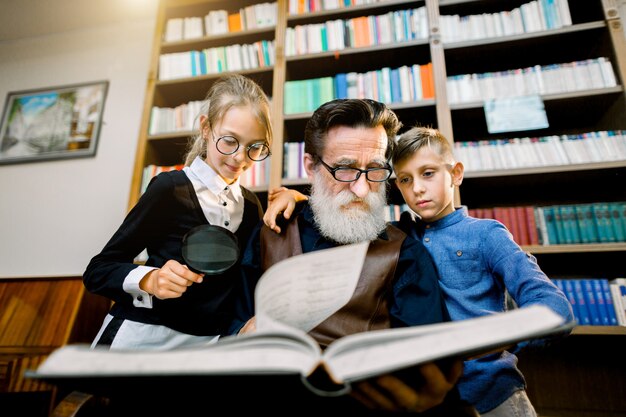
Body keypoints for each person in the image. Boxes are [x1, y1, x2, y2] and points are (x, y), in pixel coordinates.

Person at [230, 99, 478, 415]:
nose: (361, 189)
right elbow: (230, 320)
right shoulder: (269, 232)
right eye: (345, 169)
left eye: (375, 169)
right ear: (311, 166)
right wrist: (241, 333)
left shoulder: (406, 254)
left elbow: (428, 368)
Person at [84, 73, 284, 350]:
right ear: (205, 128)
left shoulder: (251, 207)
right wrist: (150, 279)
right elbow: (98, 270)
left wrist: (295, 198)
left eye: (255, 147)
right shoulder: (170, 188)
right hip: (142, 338)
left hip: (205, 346)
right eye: (229, 140)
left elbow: (247, 280)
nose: (240, 157)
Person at [389, 126, 574, 416]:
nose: (417, 188)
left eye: (428, 173)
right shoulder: (401, 236)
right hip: (429, 400)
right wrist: (297, 199)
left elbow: (556, 310)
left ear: (456, 173)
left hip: (493, 395)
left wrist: (498, 338)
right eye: (404, 179)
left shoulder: (487, 234)